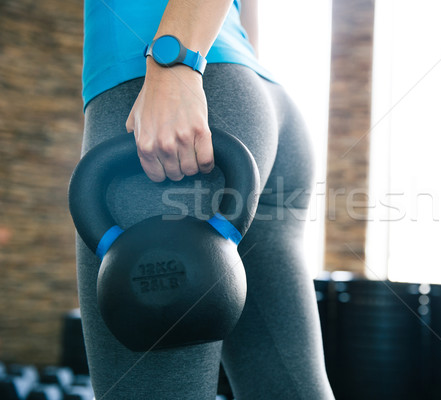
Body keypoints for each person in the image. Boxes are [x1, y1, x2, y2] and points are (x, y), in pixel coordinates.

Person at [76, 0, 335, 398]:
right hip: (253, 96)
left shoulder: (171, 71)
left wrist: (173, 64)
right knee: (287, 389)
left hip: (163, 90)